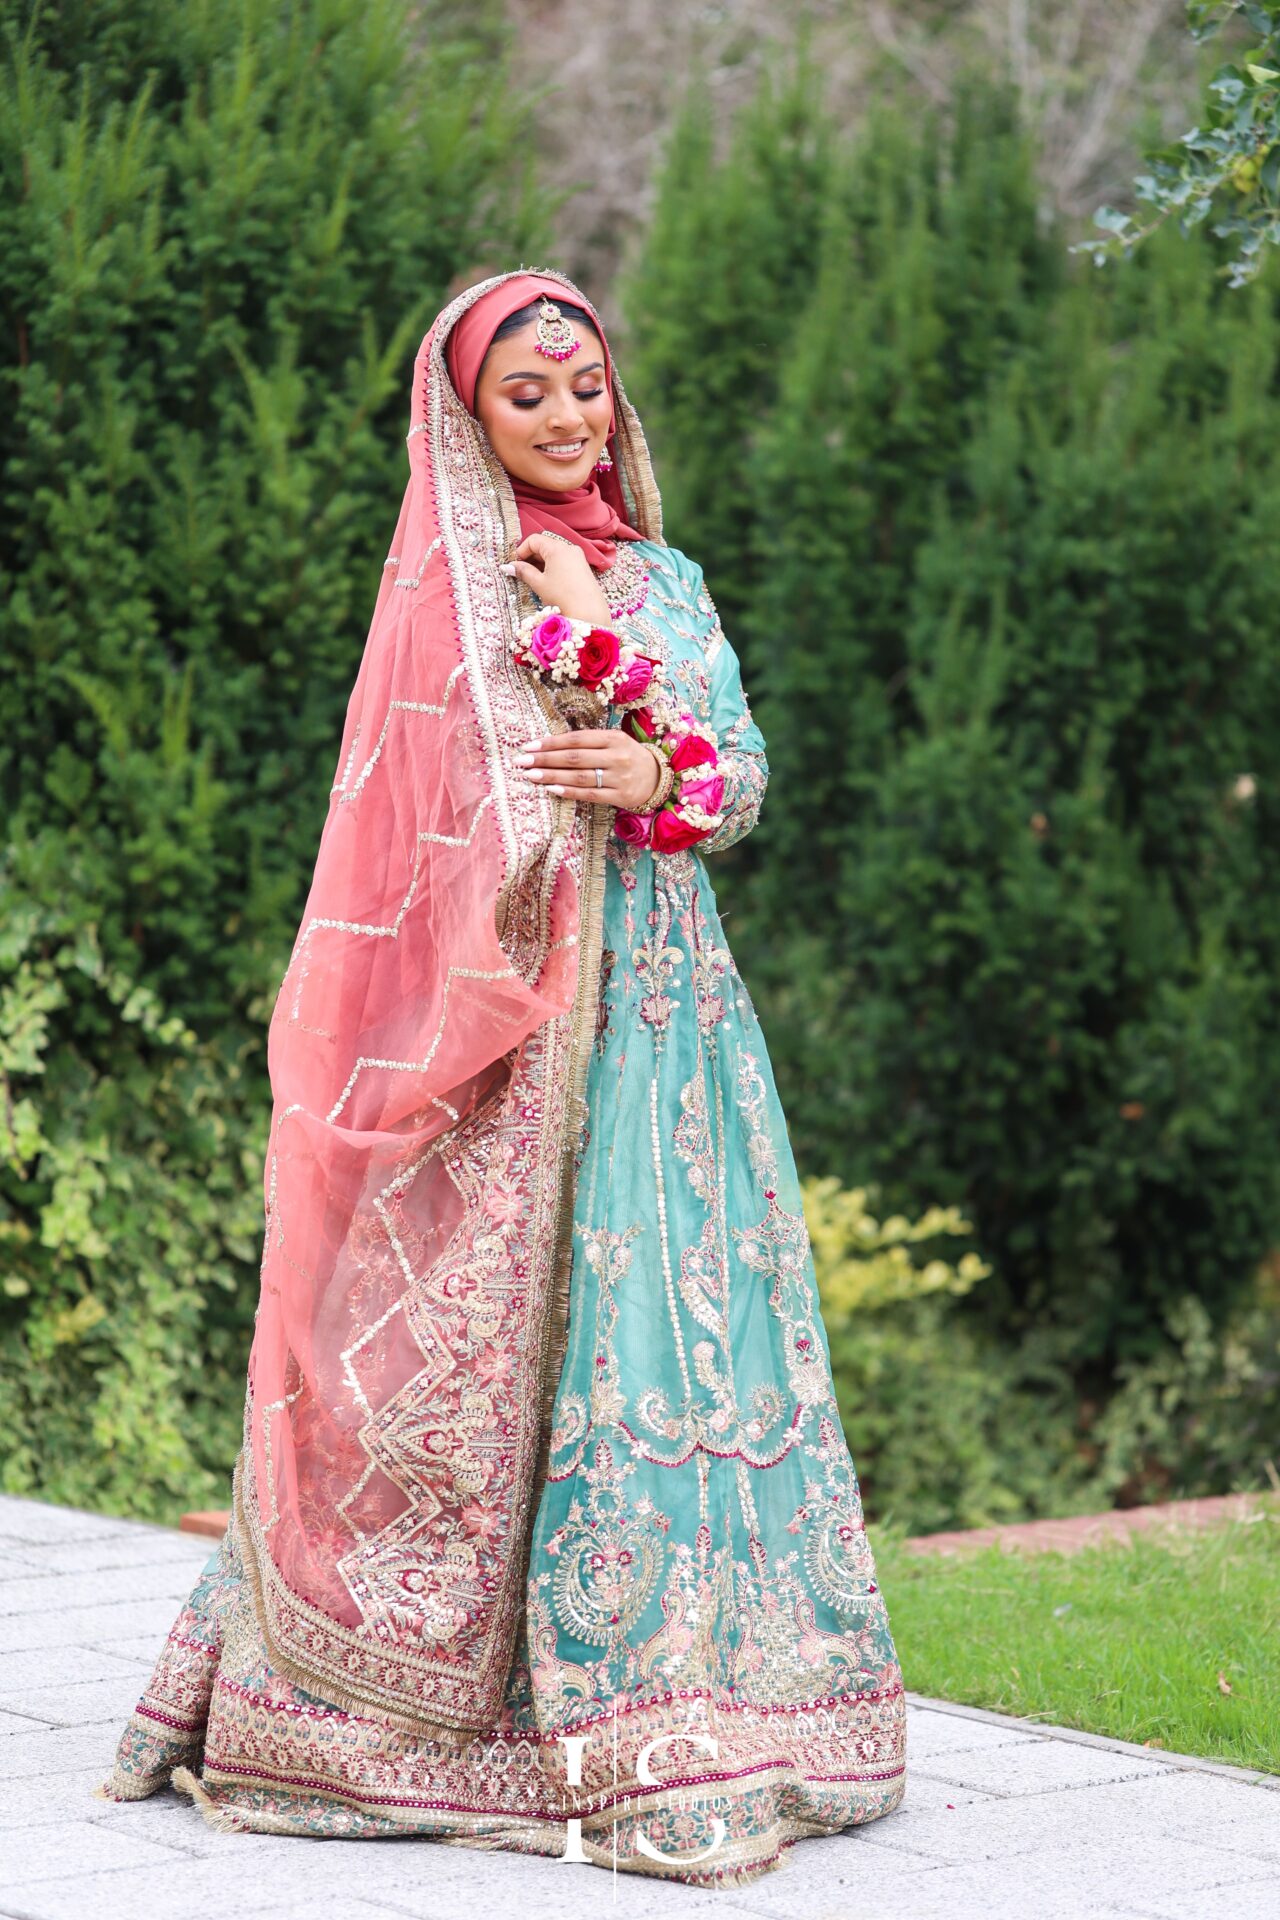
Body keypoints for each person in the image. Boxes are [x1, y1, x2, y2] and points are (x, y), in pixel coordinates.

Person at [96, 268, 907, 1886]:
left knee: (679, 1325)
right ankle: (435, 1714)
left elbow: (739, 770)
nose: (564, 417)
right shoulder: (447, 594)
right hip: (513, 1030)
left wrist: (655, 759)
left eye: (585, 386)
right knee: (462, 1356)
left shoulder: (665, 576)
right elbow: (419, 825)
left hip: (673, 1013)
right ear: (469, 417)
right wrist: (563, 692)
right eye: (524, 395)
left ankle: (709, 1694)